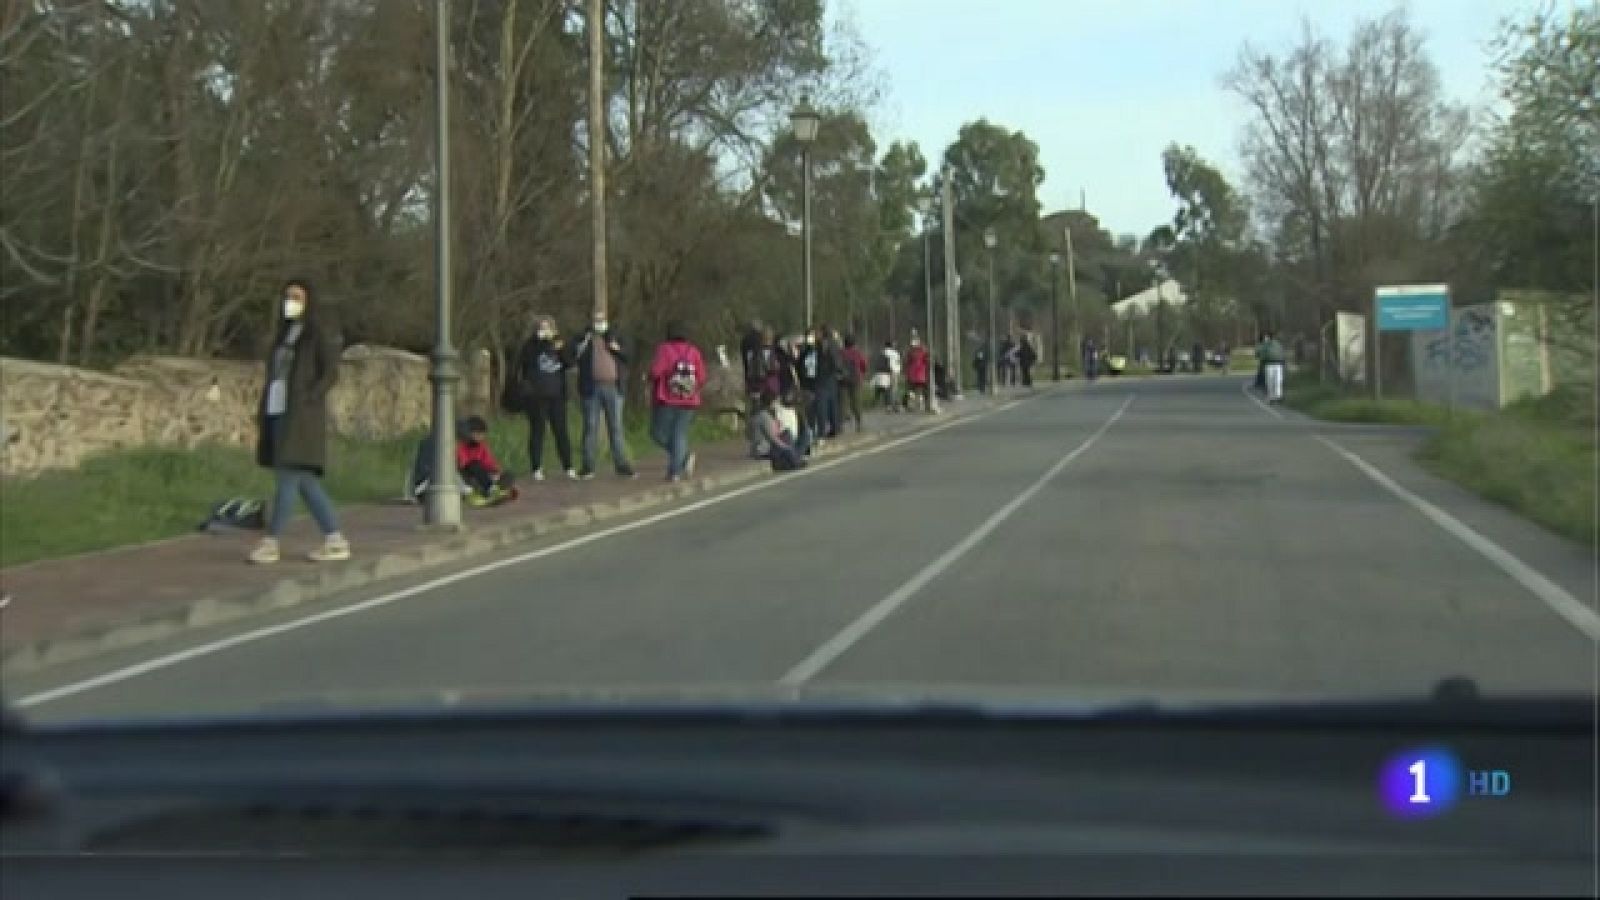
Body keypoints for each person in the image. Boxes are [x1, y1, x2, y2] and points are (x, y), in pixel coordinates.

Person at [249, 278, 351, 564]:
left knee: (288, 476)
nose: (291, 302)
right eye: (288, 296)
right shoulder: (284, 335)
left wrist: (309, 396)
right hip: (278, 410)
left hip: (302, 416)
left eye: (297, 297)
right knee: (304, 481)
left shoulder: (316, 333)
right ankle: (335, 538)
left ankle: (271, 541)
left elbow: (330, 372)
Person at [573, 316, 636, 480]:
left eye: (601, 320)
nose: (598, 324)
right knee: (590, 427)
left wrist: (617, 348)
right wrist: (582, 343)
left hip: (613, 387)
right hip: (591, 388)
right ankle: (588, 466)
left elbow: (628, 357)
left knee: (615, 427)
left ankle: (621, 464)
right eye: (596, 320)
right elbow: (571, 356)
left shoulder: (617, 336)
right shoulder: (584, 338)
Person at [516, 315, 576, 481]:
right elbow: (524, 361)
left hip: (557, 395)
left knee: (561, 431)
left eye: (548, 327)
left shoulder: (560, 343)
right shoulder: (530, 345)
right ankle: (536, 467)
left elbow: (570, 362)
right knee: (538, 431)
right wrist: (540, 342)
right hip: (537, 396)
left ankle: (568, 466)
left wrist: (559, 348)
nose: (545, 331)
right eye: (541, 328)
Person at [648, 320, 707, 482]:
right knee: (679, 434)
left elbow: (655, 371)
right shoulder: (693, 351)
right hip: (690, 399)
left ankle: (676, 467)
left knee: (658, 433)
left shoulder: (665, 349)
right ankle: (680, 461)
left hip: (667, 398)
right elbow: (701, 377)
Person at [457, 415, 517, 506]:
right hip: (469, 474)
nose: (480, 437)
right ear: (468, 433)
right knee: (475, 464)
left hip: (484, 474)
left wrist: (496, 471)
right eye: (477, 434)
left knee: (508, 474)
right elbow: (463, 464)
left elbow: (489, 462)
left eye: (482, 434)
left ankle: (501, 489)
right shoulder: (461, 446)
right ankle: (491, 490)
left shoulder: (482, 447)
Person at [750, 389, 807, 472]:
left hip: (759, 447)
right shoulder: (764, 417)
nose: (776, 403)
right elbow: (772, 438)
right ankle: (794, 461)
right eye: (775, 401)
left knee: (786, 434)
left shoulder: (760, 414)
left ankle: (793, 459)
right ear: (771, 402)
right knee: (787, 437)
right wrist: (785, 447)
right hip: (763, 449)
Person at [739, 318, 767, 458]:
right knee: (760, 410)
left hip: (750, 378)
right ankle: (758, 443)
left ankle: (755, 442)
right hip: (761, 378)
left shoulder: (744, 341)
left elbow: (745, 359)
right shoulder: (761, 341)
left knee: (754, 409)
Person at [814, 325, 846, 439]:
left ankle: (822, 430)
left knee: (822, 404)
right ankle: (835, 427)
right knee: (833, 403)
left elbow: (833, 360)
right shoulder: (834, 344)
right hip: (831, 377)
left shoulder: (824, 344)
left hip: (824, 376)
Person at [841, 334, 868, 432]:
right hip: (856, 379)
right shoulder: (857, 353)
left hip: (843, 379)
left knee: (843, 401)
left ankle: (842, 424)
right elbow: (864, 365)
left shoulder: (841, 353)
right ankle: (859, 423)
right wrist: (862, 373)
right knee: (856, 401)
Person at [1259, 329, 1287, 403]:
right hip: (1274, 364)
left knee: (1273, 381)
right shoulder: (1276, 344)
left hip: (1272, 364)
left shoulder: (1268, 345)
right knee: (1275, 380)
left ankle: (1276, 396)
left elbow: (1261, 354)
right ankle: (1275, 396)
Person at [905, 337, 931, 413]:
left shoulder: (910, 352)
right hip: (921, 374)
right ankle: (922, 405)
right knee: (921, 390)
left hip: (912, 374)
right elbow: (927, 361)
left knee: (912, 390)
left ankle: (912, 405)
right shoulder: (923, 351)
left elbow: (907, 362)